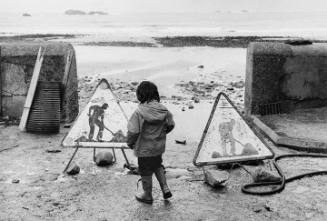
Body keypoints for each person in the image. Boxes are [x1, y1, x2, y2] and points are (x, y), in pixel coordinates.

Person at [127, 81, 175, 204]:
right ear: (155, 94)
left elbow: (133, 131)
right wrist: (162, 133)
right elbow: (170, 124)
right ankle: (165, 188)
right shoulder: (164, 111)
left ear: (140, 95)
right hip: (158, 148)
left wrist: (130, 142)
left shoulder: (138, 113)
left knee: (145, 172)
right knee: (158, 166)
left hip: (144, 150)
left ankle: (147, 195)